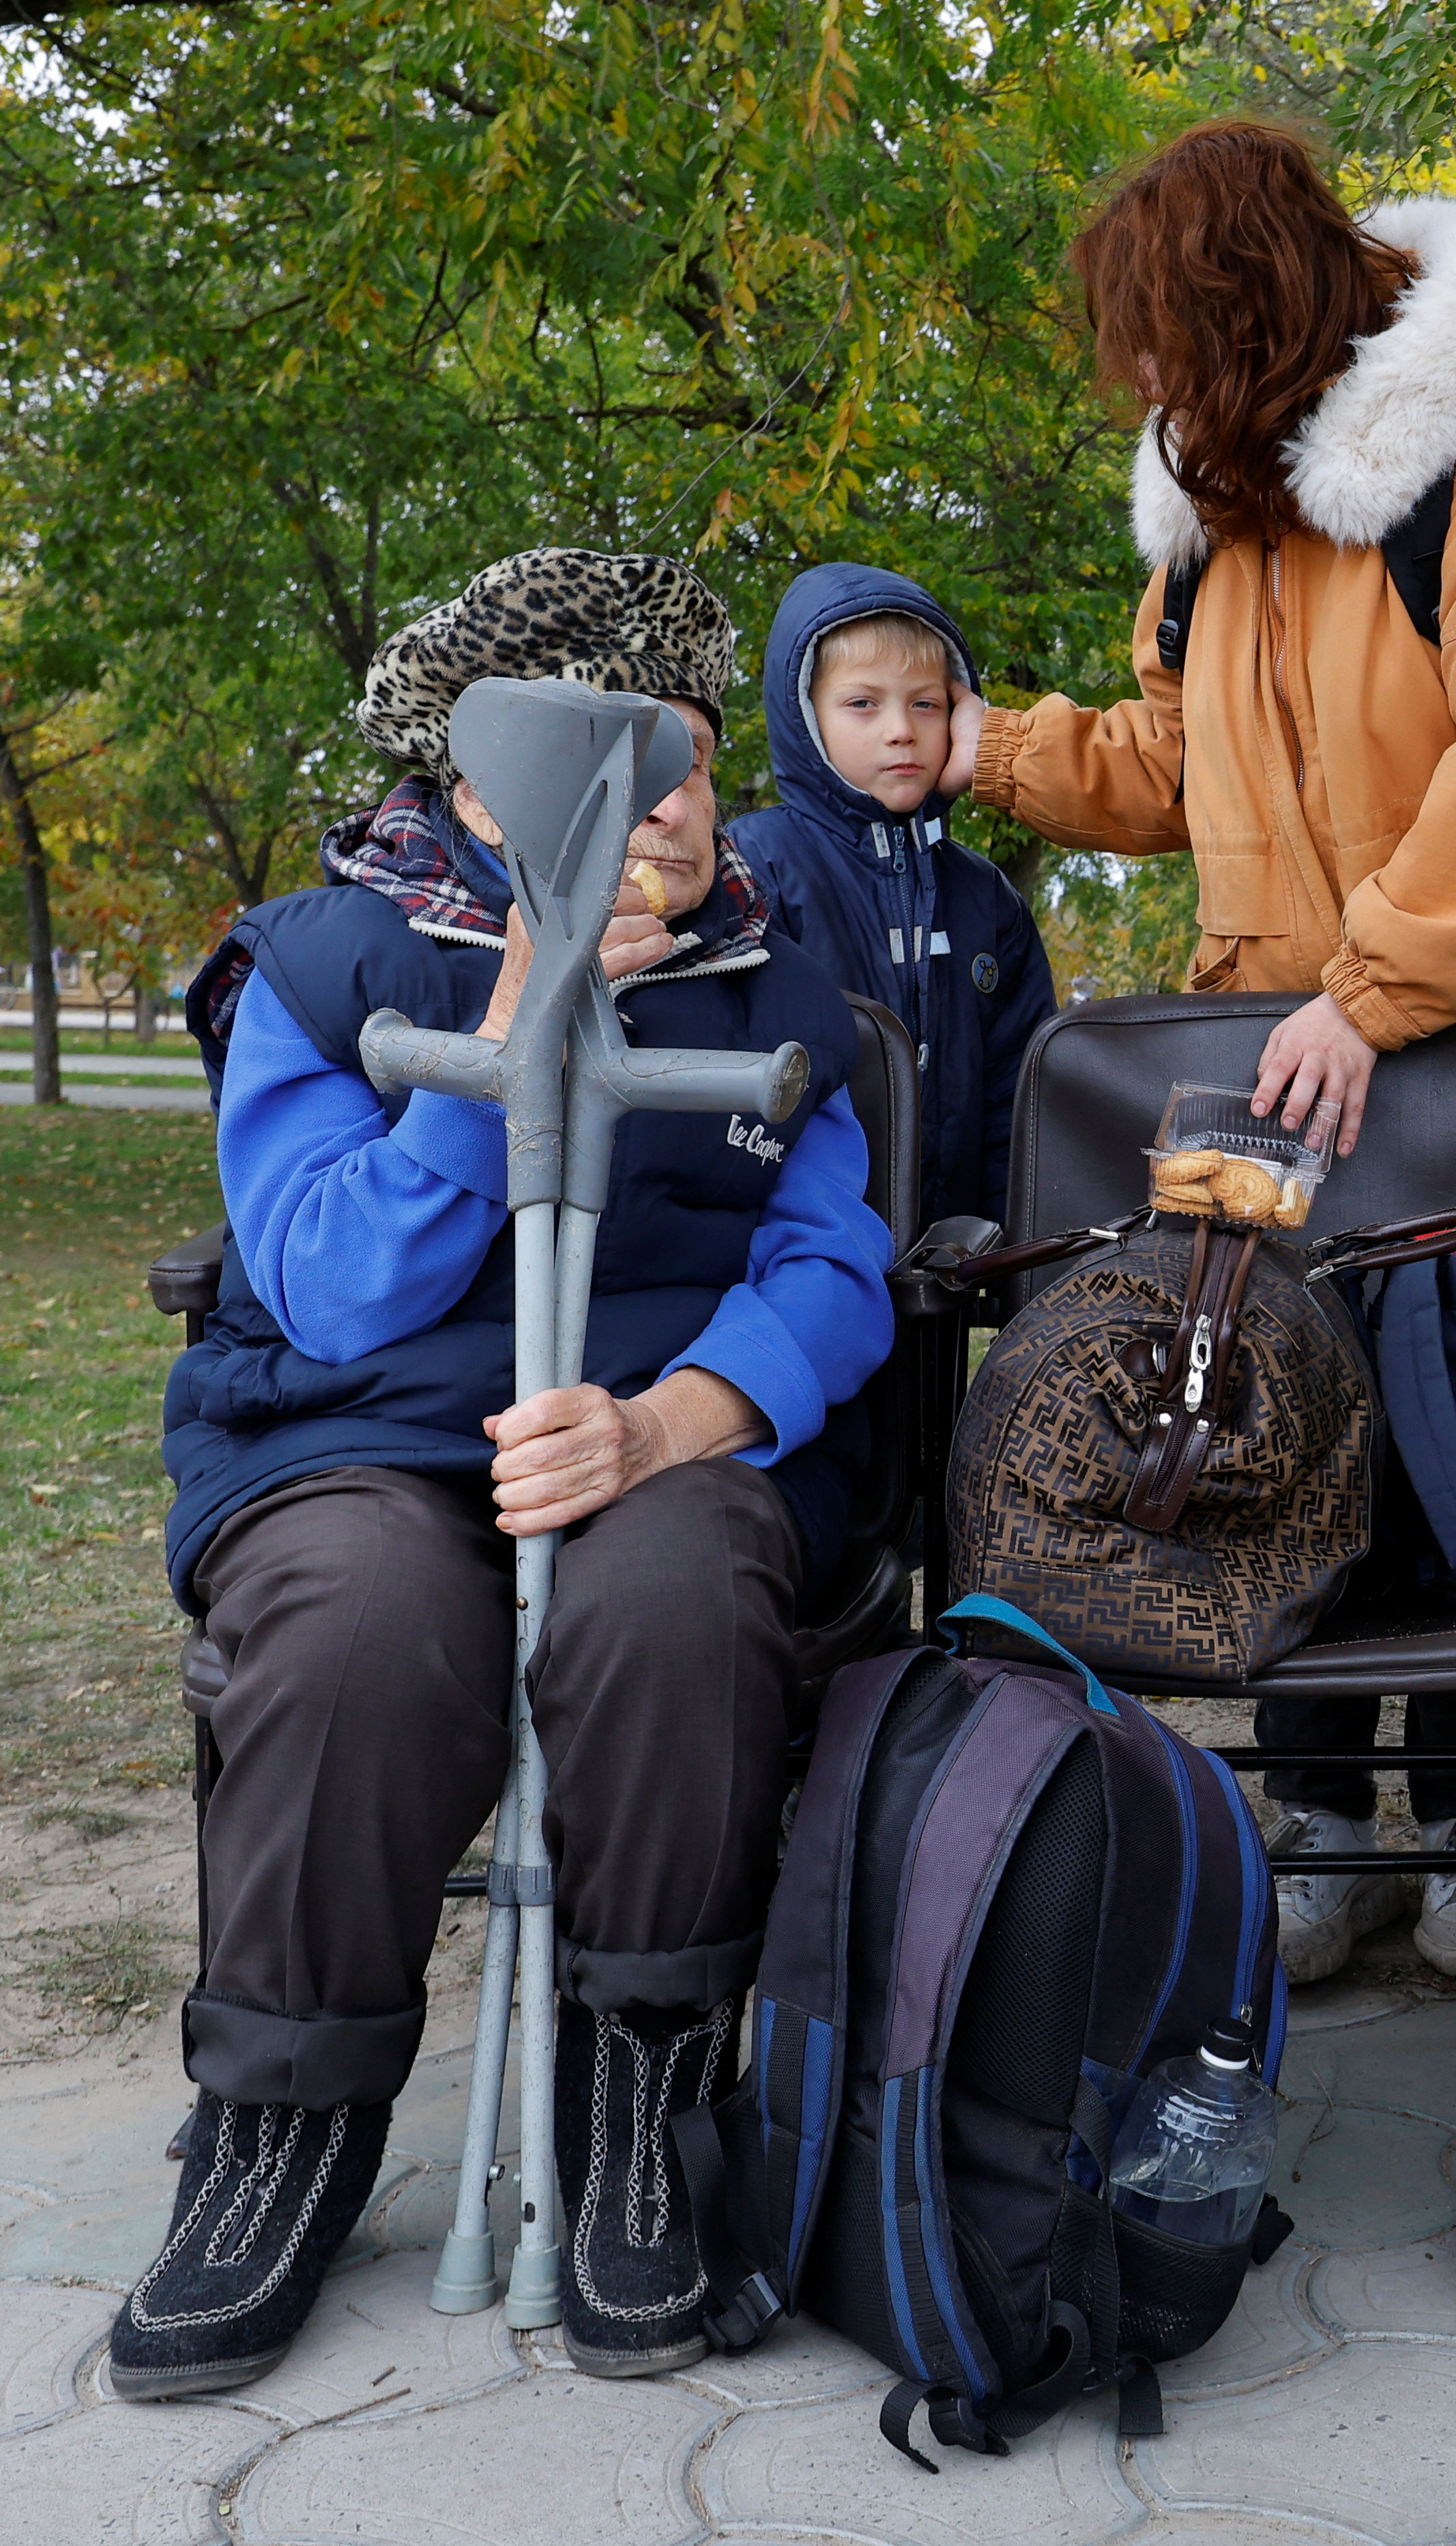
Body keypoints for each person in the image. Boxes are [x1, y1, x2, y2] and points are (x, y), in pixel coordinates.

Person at [940, 119, 1456, 1984]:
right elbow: (1177, 764)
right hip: (1292, 1049)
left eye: (1162, 336)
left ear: (1247, 306)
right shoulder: (1218, 519)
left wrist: (1374, 988)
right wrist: (995, 751)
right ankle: (1317, 1818)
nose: (1142, 380)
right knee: (1270, 1408)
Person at [121, 550, 894, 2397]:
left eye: (689, 757)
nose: (669, 808)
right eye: (614, 766)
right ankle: (281, 2124)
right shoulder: (322, 964)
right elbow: (329, 1279)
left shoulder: (783, 991)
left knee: (676, 1597)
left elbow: (832, 1269)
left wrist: (664, 1424)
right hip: (367, 1434)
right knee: (357, 1622)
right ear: (478, 794)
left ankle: (638, 2101)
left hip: (655, 1431)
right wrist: (503, 1044)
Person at [727, 565, 1057, 1229]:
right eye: (862, 704)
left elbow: (1019, 1104)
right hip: (788, 1246)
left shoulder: (988, 899)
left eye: (926, 704)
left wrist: (1009, 1250)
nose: (901, 729)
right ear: (804, 717)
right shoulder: (752, 866)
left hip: (952, 1263)